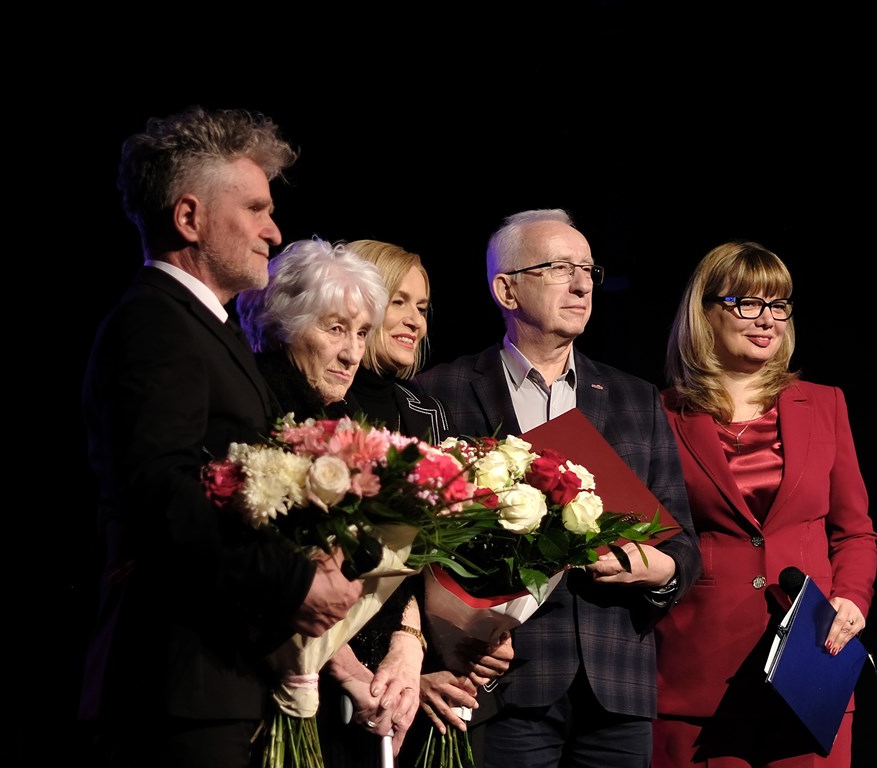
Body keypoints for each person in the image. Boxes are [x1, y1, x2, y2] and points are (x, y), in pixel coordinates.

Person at [79, 106, 366, 768]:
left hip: (213, 681)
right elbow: (161, 496)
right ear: (190, 218)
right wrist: (294, 583)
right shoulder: (155, 324)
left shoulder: (205, 328)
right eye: (256, 209)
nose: (274, 230)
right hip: (175, 687)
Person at [415, 208, 702, 768]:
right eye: (560, 268)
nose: (581, 285)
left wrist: (654, 568)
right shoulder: (441, 391)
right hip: (499, 680)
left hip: (616, 685)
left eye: (588, 270)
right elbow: (417, 545)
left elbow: (684, 547)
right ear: (507, 289)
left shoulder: (635, 398)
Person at [237, 237, 513, 765]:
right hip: (276, 681)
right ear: (285, 325)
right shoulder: (265, 411)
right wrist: (351, 672)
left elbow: (406, 565)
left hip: (368, 690)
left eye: (360, 332)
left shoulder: (353, 418)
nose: (351, 351)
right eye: (336, 329)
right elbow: (276, 570)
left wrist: (408, 651)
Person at [652, 240, 877, 767]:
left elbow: (854, 531)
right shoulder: (661, 413)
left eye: (778, 304)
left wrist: (851, 598)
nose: (767, 319)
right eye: (747, 303)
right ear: (705, 312)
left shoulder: (825, 403)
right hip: (697, 670)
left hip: (811, 662)